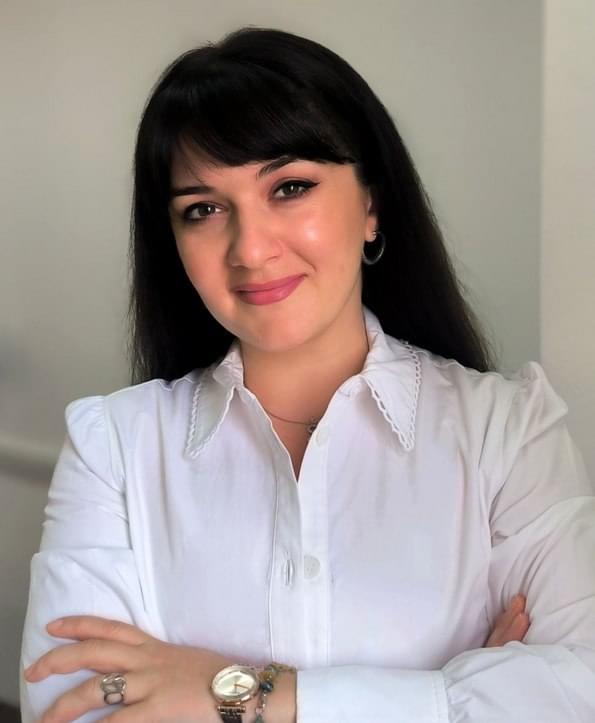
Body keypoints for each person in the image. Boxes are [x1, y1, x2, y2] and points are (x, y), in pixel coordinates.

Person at [20, 26, 595, 723]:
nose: (251, 248)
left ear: (371, 204)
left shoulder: (508, 430)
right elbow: (71, 707)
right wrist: (450, 693)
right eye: (203, 209)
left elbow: (578, 691)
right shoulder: (113, 444)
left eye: (289, 187)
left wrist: (232, 691)